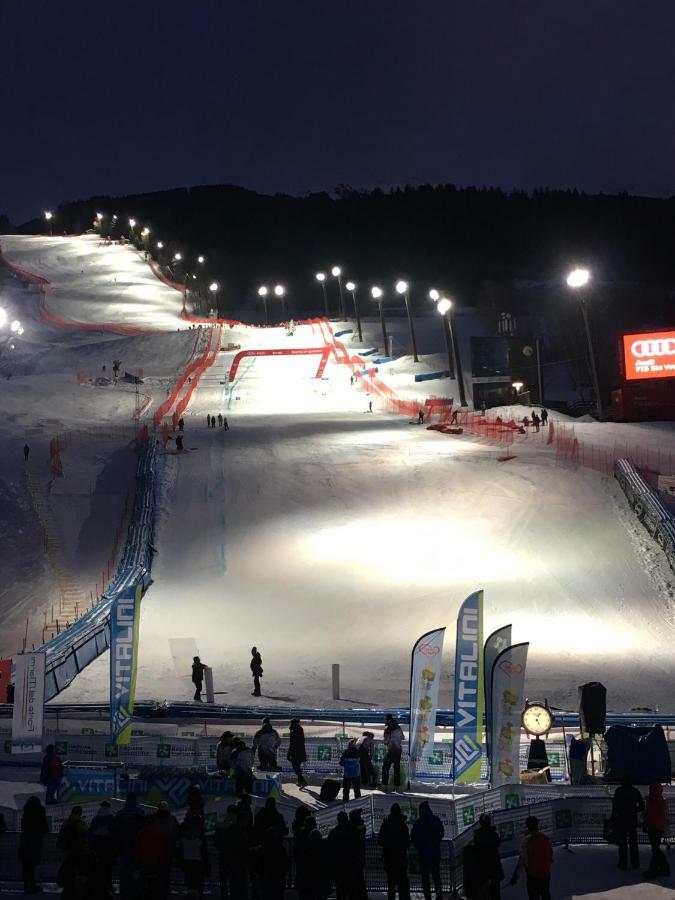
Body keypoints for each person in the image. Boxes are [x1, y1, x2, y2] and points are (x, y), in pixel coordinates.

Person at [135, 802, 179, 900]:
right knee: (164, 878)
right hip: (163, 857)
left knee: (147, 881)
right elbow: (175, 836)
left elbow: (139, 848)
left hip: (148, 860)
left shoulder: (144, 832)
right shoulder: (171, 820)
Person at [510, 816, 553, 900]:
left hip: (533, 877)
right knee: (546, 895)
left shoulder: (526, 841)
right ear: (537, 825)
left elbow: (522, 860)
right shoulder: (544, 838)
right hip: (545, 874)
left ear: (527, 826)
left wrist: (515, 876)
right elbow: (550, 855)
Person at [113, 791, 146, 900]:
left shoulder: (120, 814)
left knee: (123, 874)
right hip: (138, 849)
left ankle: (124, 894)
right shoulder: (141, 813)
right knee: (137, 873)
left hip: (123, 849)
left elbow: (115, 833)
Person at [214, 805, 250, 900]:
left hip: (223, 856)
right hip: (236, 858)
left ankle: (224, 896)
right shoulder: (239, 828)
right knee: (235, 881)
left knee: (224, 881)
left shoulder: (221, 826)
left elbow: (216, 842)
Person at [411, 800, 445, 900]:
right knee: (436, 877)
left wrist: (420, 847)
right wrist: (436, 843)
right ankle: (439, 897)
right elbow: (441, 833)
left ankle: (428, 898)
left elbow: (413, 837)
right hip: (435, 854)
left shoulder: (418, 823)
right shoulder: (435, 820)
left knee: (426, 880)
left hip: (424, 855)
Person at [378, 803, 411, 900]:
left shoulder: (386, 824)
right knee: (402, 884)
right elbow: (407, 842)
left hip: (389, 858)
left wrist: (388, 845)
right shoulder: (403, 825)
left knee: (391, 885)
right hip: (401, 858)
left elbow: (380, 840)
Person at [612, 776, 645, 870]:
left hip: (621, 820)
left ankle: (622, 863)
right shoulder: (635, 791)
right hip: (632, 820)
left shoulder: (619, 791)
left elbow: (615, 806)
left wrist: (614, 817)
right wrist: (634, 810)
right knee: (633, 842)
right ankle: (635, 863)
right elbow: (642, 806)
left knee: (622, 843)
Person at [18, 795, 49, 895]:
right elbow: (45, 828)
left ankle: (26, 885)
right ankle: (32, 885)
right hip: (35, 843)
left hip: (25, 842)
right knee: (32, 866)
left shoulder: (25, 814)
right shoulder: (40, 813)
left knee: (26, 866)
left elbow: (23, 828)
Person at [471, 813, 503, 900]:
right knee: (496, 891)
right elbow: (498, 843)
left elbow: (475, 849)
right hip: (494, 866)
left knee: (484, 892)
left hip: (482, 868)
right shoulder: (493, 833)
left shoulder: (477, 835)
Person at [179, 812, 211, 898]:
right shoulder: (200, 837)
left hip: (187, 864)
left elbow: (180, 851)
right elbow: (204, 853)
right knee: (198, 887)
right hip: (198, 865)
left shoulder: (183, 835)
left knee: (190, 887)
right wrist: (207, 867)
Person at [328, 811, 357, 900]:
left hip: (338, 866)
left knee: (340, 891)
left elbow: (329, 849)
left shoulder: (333, 832)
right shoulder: (353, 831)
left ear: (338, 820)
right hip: (351, 865)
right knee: (351, 890)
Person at [643, 782, 670, 879]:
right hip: (660, 827)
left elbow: (649, 814)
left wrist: (645, 824)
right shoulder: (661, 800)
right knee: (656, 849)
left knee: (655, 850)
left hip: (653, 827)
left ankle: (655, 870)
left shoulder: (652, 800)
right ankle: (662, 868)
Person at [88, 800, 115, 892]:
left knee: (98, 866)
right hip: (108, 846)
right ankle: (108, 886)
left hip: (97, 845)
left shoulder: (96, 818)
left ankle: (97, 886)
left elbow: (90, 832)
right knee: (107, 867)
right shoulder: (112, 818)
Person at [257, 827, 289, 900]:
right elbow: (286, 862)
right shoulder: (280, 848)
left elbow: (258, 864)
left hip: (266, 878)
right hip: (278, 878)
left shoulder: (263, 849)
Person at [349, 808, 368, 900]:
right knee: (359, 879)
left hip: (353, 858)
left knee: (355, 880)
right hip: (359, 857)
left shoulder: (353, 827)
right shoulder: (360, 826)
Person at [382, 714, 404, 790]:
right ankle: (397, 787)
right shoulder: (399, 727)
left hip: (391, 750)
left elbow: (386, 741)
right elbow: (403, 737)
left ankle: (385, 786)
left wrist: (387, 742)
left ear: (386, 719)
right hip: (398, 750)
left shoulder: (387, 727)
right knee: (396, 768)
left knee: (385, 768)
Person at [288, 718, 308, 787]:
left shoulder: (294, 732)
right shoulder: (299, 730)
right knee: (297, 767)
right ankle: (300, 781)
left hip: (295, 753)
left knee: (296, 767)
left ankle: (302, 781)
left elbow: (292, 744)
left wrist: (289, 753)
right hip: (301, 752)